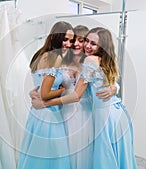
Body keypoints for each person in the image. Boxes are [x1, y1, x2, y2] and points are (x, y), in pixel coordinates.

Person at [32, 27, 137, 169]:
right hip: (69, 113)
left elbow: (82, 92)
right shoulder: (61, 60)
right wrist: (34, 93)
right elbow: (47, 83)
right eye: (79, 41)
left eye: (83, 41)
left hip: (89, 113)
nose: (78, 44)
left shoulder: (89, 60)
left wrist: (114, 88)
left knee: (98, 154)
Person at [17, 21, 74, 169]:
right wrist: (61, 91)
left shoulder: (40, 55)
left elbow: (38, 85)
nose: (68, 43)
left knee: (36, 152)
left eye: (70, 40)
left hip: (36, 113)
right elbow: (45, 93)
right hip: (49, 113)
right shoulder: (56, 57)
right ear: (56, 37)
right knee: (53, 155)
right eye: (65, 39)